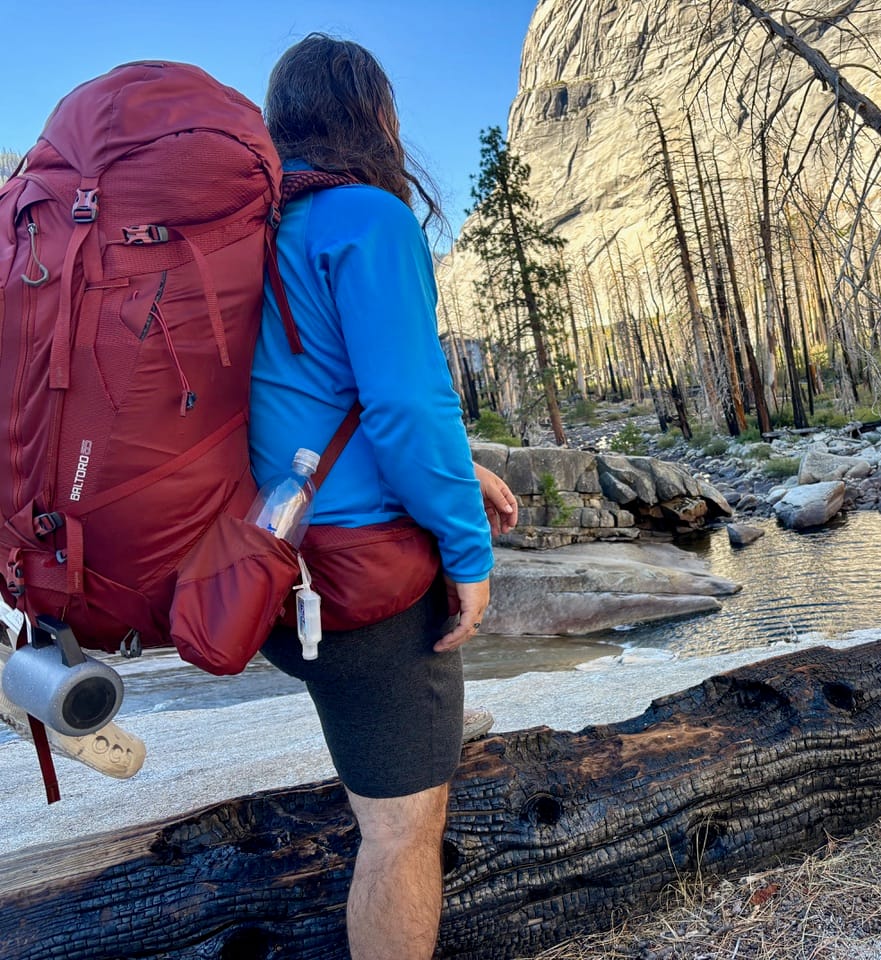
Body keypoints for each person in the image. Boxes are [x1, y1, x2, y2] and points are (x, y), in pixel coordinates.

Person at [250, 33, 513, 959]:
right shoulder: (366, 216)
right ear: (375, 118)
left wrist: (462, 466)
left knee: (386, 803)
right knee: (400, 832)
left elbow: (314, 392)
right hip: (360, 581)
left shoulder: (251, 227)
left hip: (266, 562)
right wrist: (470, 553)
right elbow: (404, 403)